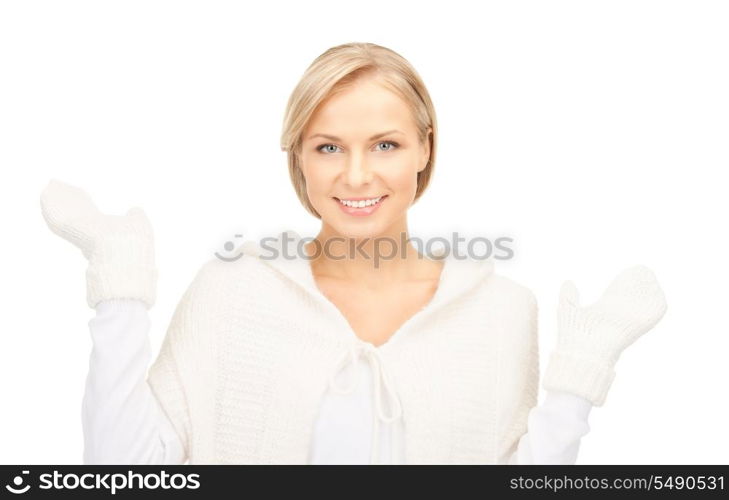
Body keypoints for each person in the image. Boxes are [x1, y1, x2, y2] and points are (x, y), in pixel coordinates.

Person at [39, 42, 667, 465]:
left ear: (425, 148)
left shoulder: (503, 311)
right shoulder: (232, 291)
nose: (357, 176)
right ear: (300, 159)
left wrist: (575, 384)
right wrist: (121, 291)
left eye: (386, 145)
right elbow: (121, 469)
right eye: (329, 147)